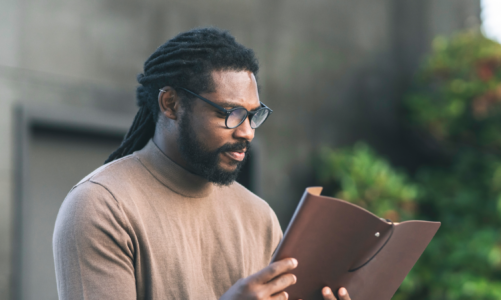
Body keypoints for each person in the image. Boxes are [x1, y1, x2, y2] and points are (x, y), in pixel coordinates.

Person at [52, 27, 351, 300]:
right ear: (171, 104)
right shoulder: (100, 206)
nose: (247, 131)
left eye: (253, 115)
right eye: (231, 113)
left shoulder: (260, 218)